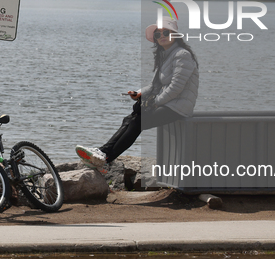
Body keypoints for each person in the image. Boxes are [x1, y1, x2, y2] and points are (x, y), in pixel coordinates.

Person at [76, 16, 199, 169]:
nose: (161, 36)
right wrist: (139, 93)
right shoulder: (166, 56)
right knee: (129, 119)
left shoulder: (182, 55)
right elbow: (155, 85)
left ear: (175, 35)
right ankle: (102, 153)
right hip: (168, 103)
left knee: (137, 122)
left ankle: (105, 158)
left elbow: (176, 87)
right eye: (157, 34)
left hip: (179, 107)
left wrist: (155, 103)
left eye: (165, 32)